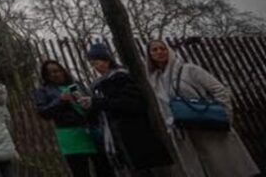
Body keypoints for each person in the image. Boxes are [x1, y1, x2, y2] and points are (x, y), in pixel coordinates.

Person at [146, 40, 259, 177]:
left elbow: (219, 90)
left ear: (168, 50)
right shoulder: (154, 80)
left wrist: (223, 116)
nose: (159, 52)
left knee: (225, 168)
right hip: (184, 133)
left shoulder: (189, 70)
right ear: (149, 55)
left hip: (209, 128)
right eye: (154, 50)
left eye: (162, 48)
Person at [82, 43, 171, 176]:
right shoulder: (98, 84)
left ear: (107, 60)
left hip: (132, 132)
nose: (96, 67)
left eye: (97, 62)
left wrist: (98, 102)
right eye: (93, 64)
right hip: (116, 134)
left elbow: (132, 103)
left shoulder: (121, 77)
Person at [33, 60, 110, 177]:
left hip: (91, 132)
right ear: (46, 76)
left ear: (62, 71)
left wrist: (89, 104)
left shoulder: (77, 85)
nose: (54, 74)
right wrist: (61, 100)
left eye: (56, 71)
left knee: (104, 168)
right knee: (80, 171)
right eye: (49, 73)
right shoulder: (43, 91)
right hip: (70, 136)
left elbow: (93, 105)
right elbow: (44, 112)